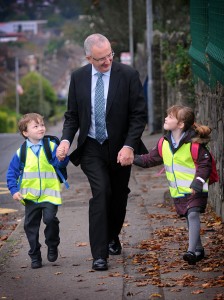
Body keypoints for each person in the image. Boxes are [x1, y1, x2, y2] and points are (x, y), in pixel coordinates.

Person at [56, 33, 147, 271]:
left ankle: (112, 236)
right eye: (101, 59)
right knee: (101, 193)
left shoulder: (127, 75)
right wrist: (65, 140)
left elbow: (138, 116)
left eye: (110, 56)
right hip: (92, 147)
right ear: (88, 58)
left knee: (118, 196)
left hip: (120, 147)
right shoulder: (78, 78)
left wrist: (129, 146)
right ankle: (99, 255)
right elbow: (72, 115)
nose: (107, 61)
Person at [134, 105, 212, 265]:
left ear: (181, 124)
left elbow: (206, 164)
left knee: (193, 214)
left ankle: (191, 252)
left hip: (196, 189)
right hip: (178, 191)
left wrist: (198, 183)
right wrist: (131, 158)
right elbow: (150, 159)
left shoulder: (194, 145)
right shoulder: (164, 143)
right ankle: (198, 249)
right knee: (189, 218)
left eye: (170, 117)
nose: (165, 118)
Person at [7, 113, 69, 269]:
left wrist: (62, 158)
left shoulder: (51, 146)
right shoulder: (21, 153)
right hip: (30, 197)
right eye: (36, 126)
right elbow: (11, 173)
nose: (41, 128)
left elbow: (60, 163)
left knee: (50, 220)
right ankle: (35, 255)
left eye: (42, 124)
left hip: (49, 194)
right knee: (30, 226)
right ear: (25, 132)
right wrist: (14, 190)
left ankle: (52, 244)